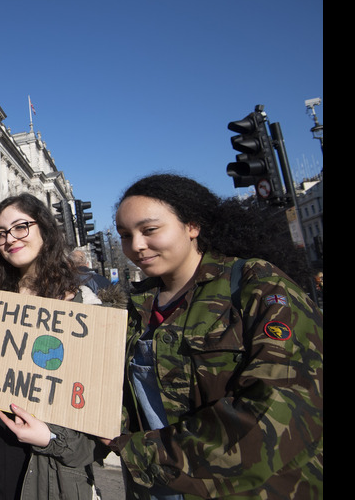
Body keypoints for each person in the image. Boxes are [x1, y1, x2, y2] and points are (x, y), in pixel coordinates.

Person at [104, 173, 323, 499]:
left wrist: (142, 453)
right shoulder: (137, 310)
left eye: (150, 230)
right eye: (125, 235)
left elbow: (276, 409)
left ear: (192, 226)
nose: (136, 245)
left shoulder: (257, 285)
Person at [0, 193, 100, 500]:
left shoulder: (85, 306)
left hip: (47, 468)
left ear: (45, 230)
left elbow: (98, 422)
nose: (9, 238)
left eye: (20, 227)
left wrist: (51, 437)